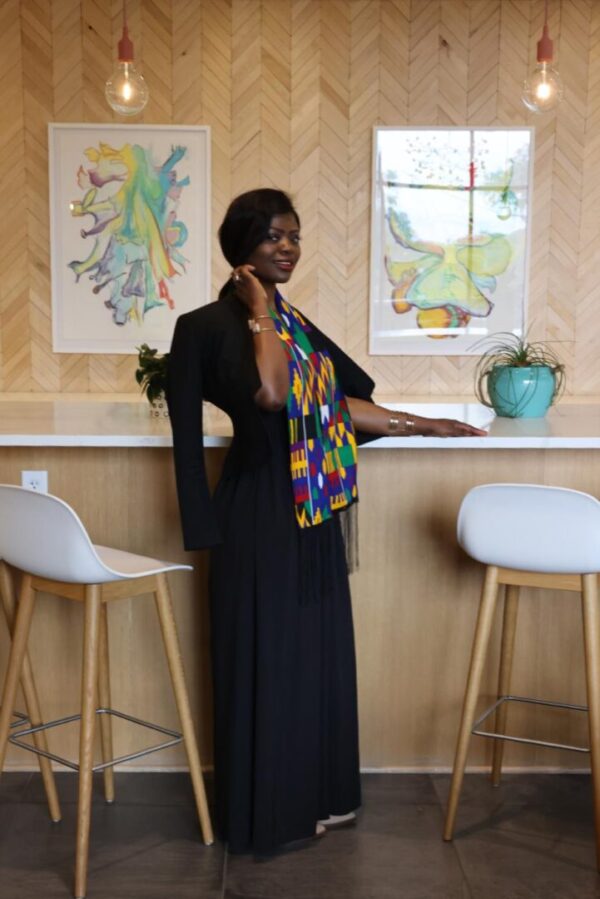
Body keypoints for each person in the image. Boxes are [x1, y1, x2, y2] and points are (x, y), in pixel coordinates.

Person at [166, 188, 486, 855]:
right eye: (274, 236)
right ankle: (266, 814)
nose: (288, 247)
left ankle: (316, 799)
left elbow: (343, 398)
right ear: (243, 244)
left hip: (313, 507)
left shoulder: (297, 321)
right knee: (265, 659)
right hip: (253, 513)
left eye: (294, 236)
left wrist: (422, 425)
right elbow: (269, 398)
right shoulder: (202, 328)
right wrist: (257, 311)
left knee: (310, 657)